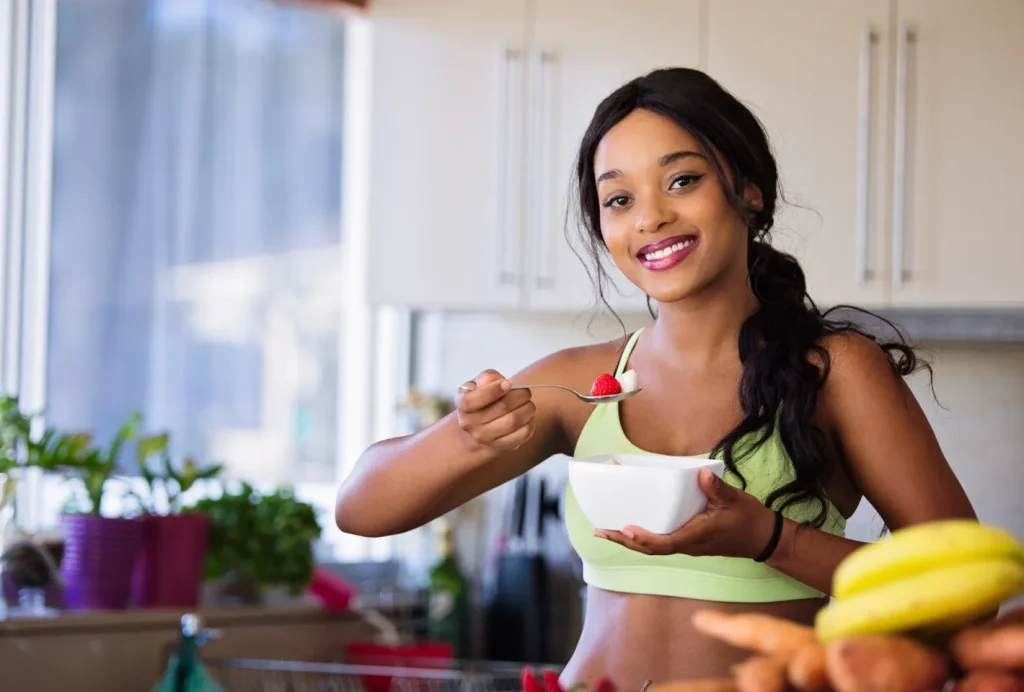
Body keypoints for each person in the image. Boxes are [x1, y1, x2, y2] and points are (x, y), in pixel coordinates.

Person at [334, 68, 975, 686]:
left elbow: (963, 596)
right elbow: (361, 509)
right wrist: (467, 437)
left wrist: (769, 538)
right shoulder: (584, 383)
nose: (650, 217)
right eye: (619, 198)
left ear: (748, 189)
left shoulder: (833, 372)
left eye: (682, 180)